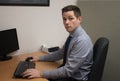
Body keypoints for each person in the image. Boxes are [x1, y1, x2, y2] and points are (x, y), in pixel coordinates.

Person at [22, 5, 93, 81]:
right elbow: (61, 53)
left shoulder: (82, 40)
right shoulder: (73, 36)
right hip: (69, 73)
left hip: (74, 78)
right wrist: (40, 58)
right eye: (64, 19)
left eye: (71, 18)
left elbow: (68, 71)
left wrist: (40, 73)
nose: (66, 22)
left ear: (79, 19)